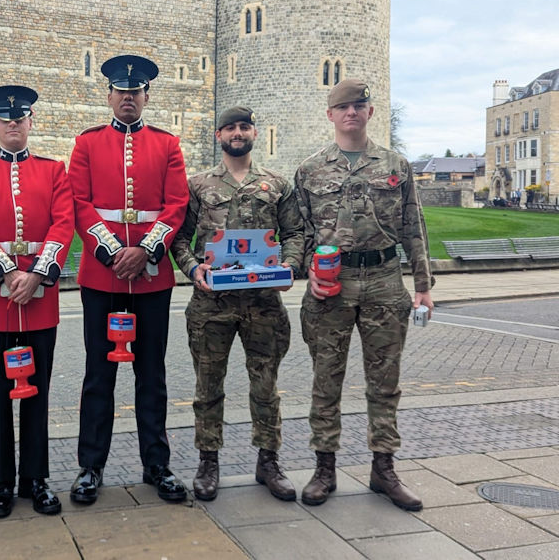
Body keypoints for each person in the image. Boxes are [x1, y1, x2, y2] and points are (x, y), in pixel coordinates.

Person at [294, 79, 434, 511]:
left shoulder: (396, 165)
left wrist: (424, 286)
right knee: (325, 380)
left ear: (371, 112)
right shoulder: (310, 170)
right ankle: (324, 468)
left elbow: (414, 226)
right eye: (343, 107)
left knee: (385, 382)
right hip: (331, 285)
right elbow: (297, 233)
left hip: (384, 280)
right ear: (331, 115)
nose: (352, 112)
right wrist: (306, 273)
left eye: (359, 105)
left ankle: (384, 468)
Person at [66, 55, 189, 503]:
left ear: (146, 97)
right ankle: (90, 466)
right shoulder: (87, 144)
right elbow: (80, 204)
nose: (128, 99)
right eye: (121, 92)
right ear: (110, 96)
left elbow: (176, 205)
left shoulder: (168, 144)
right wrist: (115, 252)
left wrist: (146, 250)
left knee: (151, 374)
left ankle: (157, 463)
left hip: (152, 276)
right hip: (105, 275)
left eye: (136, 93)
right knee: (99, 375)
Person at [170, 106, 303, 502]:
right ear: (219, 136)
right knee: (208, 386)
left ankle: (268, 461)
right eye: (230, 127)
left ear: (254, 133)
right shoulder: (198, 185)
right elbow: (180, 237)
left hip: (263, 302)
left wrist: (289, 267)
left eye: (244, 126)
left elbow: (295, 232)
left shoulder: (276, 184)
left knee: (266, 386)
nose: (237, 133)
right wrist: (194, 270)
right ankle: (208, 461)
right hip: (213, 303)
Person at [0, 85, 74, 518]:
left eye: (20, 118)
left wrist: (38, 273)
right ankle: (1, 481)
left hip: (39, 298)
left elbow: (64, 224)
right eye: (4, 119)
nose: (12, 124)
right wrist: (7, 272)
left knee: (38, 392)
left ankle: (36, 479)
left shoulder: (53, 170)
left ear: (30, 122)